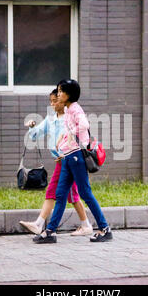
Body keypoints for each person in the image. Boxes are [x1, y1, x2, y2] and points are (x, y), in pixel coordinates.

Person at [33, 79, 113, 244]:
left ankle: (105, 229)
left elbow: (84, 125)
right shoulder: (69, 110)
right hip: (68, 157)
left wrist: (70, 134)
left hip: (76, 157)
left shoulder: (75, 108)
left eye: (61, 91)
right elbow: (69, 129)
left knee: (84, 193)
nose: (59, 94)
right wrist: (63, 137)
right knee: (60, 194)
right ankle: (50, 232)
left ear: (69, 95)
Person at [19, 89, 94, 236]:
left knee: (53, 190)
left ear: (64, 100)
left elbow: (77, 134)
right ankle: (86, 225)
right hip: (62, 161)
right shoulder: (51, 118)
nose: (53, 104)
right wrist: (32, 126)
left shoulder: (69, 117)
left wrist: (64, 151)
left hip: (68, 158)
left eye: (56, 100)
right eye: (51, 101)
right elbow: (36, 134)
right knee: (72, 196)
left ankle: (40, 224)